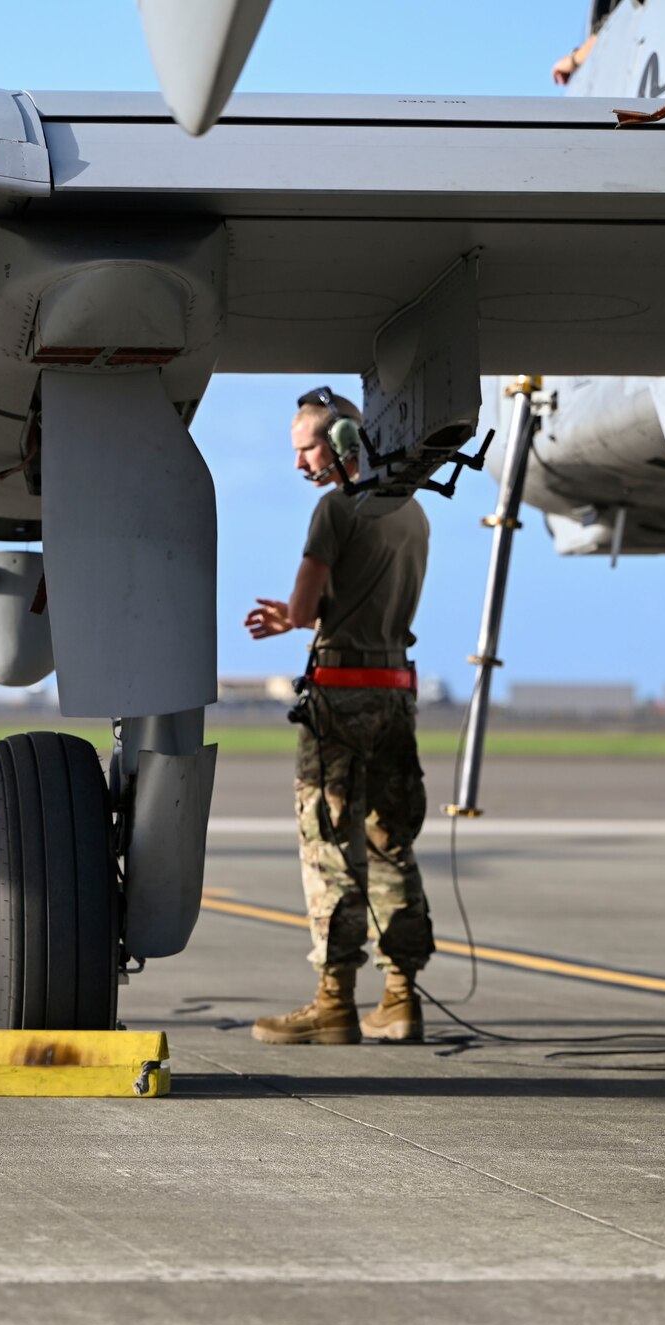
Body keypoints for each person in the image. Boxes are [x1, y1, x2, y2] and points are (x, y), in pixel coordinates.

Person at [245, 388, 435, 1044]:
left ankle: (333, 1003)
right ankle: (401, 996)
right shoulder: (413, 511)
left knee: (329, 846)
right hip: (395, 693)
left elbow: (301, 608)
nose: (300, 463)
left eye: (308, 448)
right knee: (391, 841)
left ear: (347, 439)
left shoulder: (336, 509)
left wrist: (288, 619)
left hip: (340, 697)